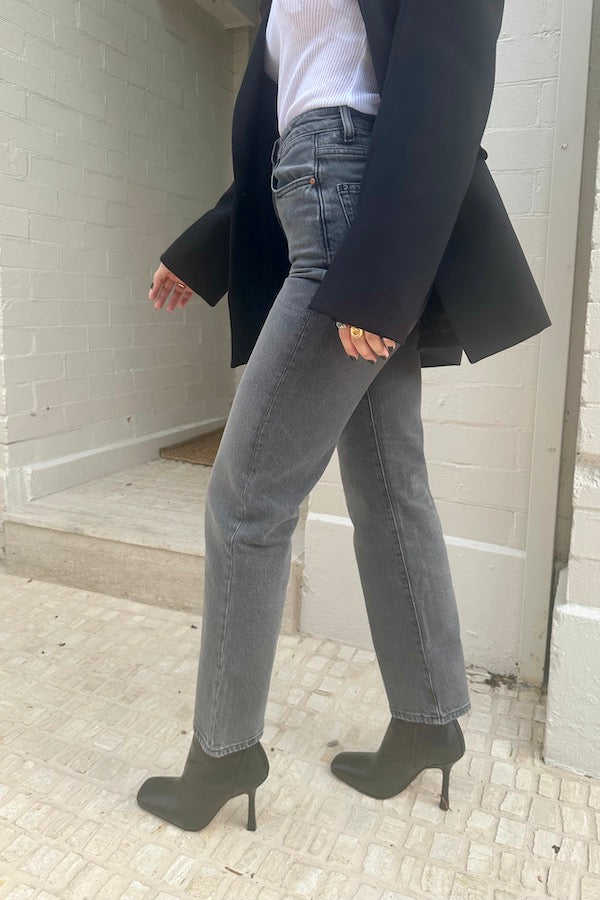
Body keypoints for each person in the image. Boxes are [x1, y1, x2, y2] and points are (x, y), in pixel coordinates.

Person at [135, 0, 507, 833]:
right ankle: (428, 718)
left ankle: (223, 751)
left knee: (246, 503)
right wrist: (205, 249)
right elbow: (296, 102)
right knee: (388, 485)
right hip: (319, 200)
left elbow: (449, 63)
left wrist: (383, 271)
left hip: (358, 217)